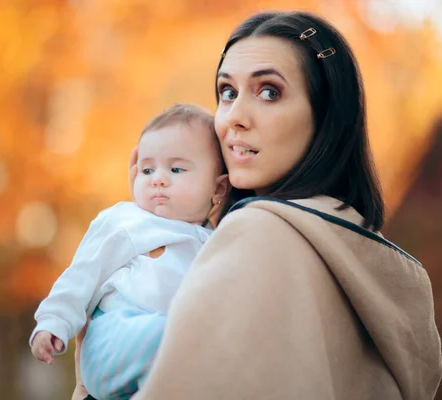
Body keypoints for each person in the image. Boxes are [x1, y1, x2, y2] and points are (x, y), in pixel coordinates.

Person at [73, 10, 442, 400]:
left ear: (326, 115)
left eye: (269, 92)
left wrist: (103, 330)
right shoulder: (370, 257)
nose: (234, 118)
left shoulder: (260, 232)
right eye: (227, 93)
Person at [30, 103, 229, 399]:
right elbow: (81, 275)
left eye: (176, 169)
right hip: (115, 336)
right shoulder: (126, 221)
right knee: (169, 337)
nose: (158, 178)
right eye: (147, 169)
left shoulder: (217, 241)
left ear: (218, 190)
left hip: (167, 352)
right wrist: (52, 323)